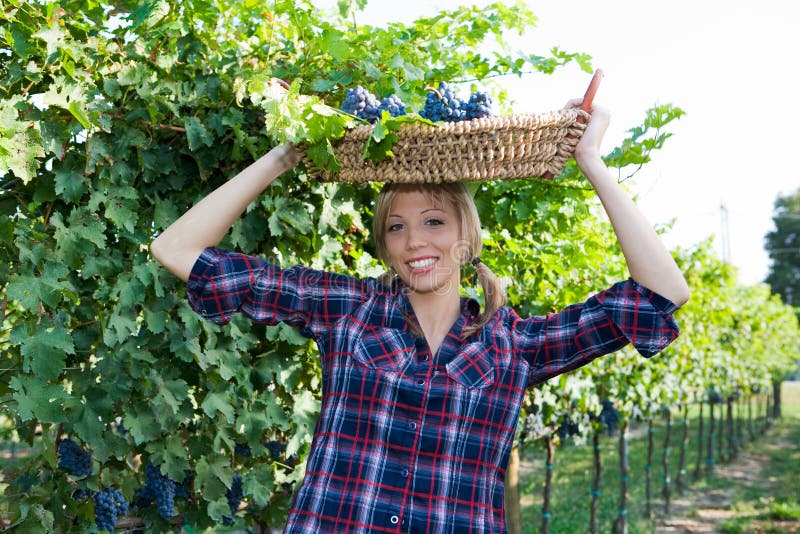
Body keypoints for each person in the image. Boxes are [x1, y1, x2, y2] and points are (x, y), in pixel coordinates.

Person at [150, 99, 690, 533]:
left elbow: (662, 295)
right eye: (396, 227)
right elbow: (178, 250)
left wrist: (590, 161)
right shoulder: (347, 309)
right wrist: (281, 158)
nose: (414, 243)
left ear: (466, 235)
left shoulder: (515, 343)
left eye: (433, 221)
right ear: (384, 246)